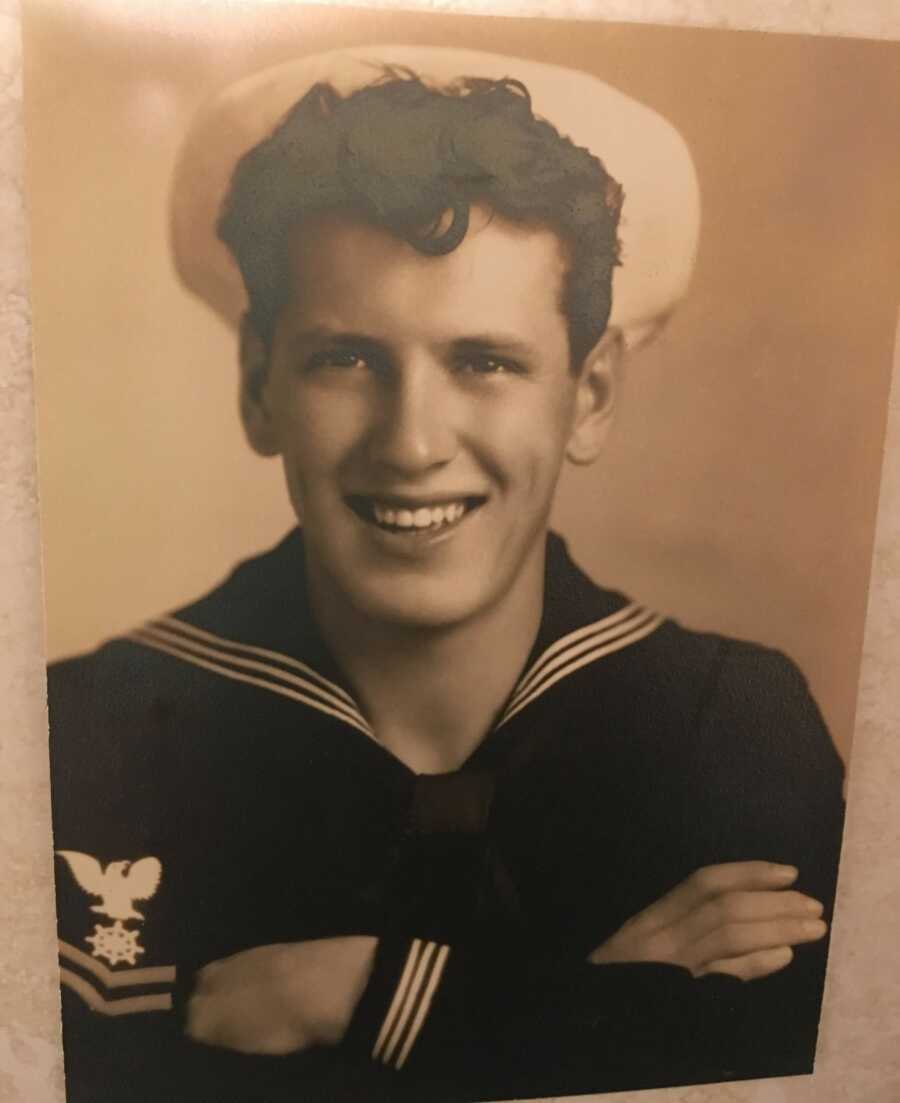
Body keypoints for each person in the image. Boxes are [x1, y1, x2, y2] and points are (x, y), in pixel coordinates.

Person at [49, 47, 845, 1103]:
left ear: (592, 394)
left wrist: (377, 993)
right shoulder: (82, 732)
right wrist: (605, 1004)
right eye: (346, 357)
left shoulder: (728, 725)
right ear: (257, 384)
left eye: (485, 361)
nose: (413, 442)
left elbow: (817, 1064)